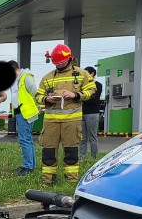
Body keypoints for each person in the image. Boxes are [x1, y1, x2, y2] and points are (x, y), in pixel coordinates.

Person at [35, 44, 96, 185]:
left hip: (72, 121)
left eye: (61, 62)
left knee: (71, 152)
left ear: (69, 58)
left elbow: (91, 92)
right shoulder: (47, 77)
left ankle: (72, 182)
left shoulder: (81, 74)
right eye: (56, 63)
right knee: (48, 152)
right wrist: (46, 99)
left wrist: (75, 95)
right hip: (51, 122)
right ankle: (47, 181)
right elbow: (38, 96)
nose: (59, 65)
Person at [8, 60, 40, 176]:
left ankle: (27, 167)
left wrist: (40, 105)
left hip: (26, 112)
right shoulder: (15, 80)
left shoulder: (26, 77)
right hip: (20, 112)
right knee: (27, 139)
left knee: (24, 139)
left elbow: (35, 93)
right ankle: (31, 165)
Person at [79, 66, 102, 160]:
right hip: (81, 113)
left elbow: (94, 100)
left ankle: (94, 158)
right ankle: (82, 157)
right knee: (82, 138)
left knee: (92, 137)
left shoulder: (98, 85)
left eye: (86, 72)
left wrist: (83, 99)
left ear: (92, 73)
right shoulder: (82, 86)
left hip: (92, 113)